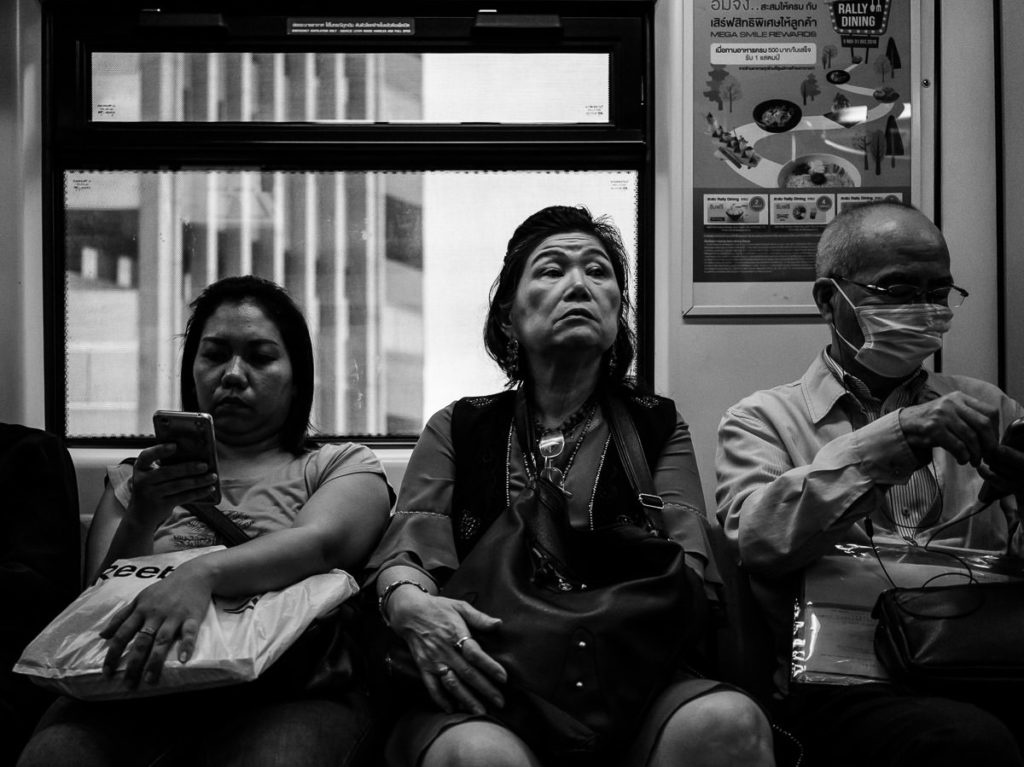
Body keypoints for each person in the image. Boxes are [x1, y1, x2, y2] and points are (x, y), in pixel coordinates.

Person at [367, 205, 776, 767]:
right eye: (551, 270)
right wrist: (408, 604)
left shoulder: (656, 424)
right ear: (509, 318)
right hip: (490, 674)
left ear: (616, 314)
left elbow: (690, 570)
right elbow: (408, 556)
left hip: (630, 675)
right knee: (481, 757)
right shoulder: (460, 427)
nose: (579, 284)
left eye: (598, 271)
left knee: (727, 723)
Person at [19, 275, 393, 767]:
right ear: (191, 368)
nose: (233, 375)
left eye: (260, 357)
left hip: (287, 683)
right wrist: (144, 514)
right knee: (57, 755)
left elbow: (321, 545)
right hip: (144, 681)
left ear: (297, 375)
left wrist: (201, 574)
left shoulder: (340, 465)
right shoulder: (138, 480)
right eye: (215, 355)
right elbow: (100, 600)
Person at [716, 201, 1024, 767]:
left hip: (985, 658)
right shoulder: (761, 420)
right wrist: (894, 440)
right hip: (846, 679)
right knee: (964, 743)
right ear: (829, 301)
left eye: (939, 292)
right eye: (899, 288)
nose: (927, 310)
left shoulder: (990, 408)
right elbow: (757, 540)